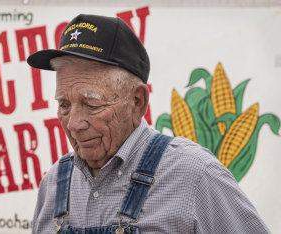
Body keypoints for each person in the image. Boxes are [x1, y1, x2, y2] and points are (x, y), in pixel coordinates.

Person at [27, 14, 270, 234]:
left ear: (137, 101)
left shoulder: (194, 175)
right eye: (64, 105)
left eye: (92, 104)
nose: (74, 124)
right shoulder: (55, 183)